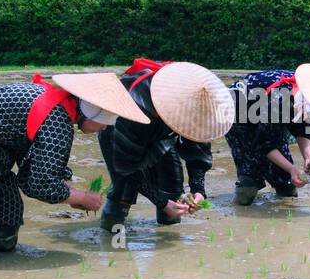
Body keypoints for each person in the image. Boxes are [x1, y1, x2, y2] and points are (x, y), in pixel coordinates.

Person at [0, 73, 149, 269]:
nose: (103, 129)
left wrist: (70, 193)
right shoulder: (57, 121)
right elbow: (40, 183)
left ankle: (1, 261)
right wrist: (82, 197)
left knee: (10, 213)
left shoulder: (59, 107)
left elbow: (39, 167)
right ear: (90, 112)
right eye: (103, 123)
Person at [98, 60, 234, 231]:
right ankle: (111, 234)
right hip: (119, 127)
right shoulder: (136, 107)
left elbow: (198, 150)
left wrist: (199, 191)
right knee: (124, 188)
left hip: (161, 132)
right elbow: (127, 168)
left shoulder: (196, 103)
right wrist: (161, 202)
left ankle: (168, 229)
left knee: (172, 183)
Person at [226, 63, 310, 205]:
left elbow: (304, 131)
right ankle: (242, 203)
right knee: (250, 181)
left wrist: (309, 158)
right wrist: (292, 168)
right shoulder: (282, 101)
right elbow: (265, 144)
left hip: (269, 112)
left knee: (287, 185)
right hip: (237, 112)